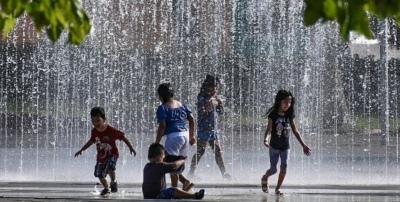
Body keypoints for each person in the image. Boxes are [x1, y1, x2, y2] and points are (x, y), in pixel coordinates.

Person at [74, 107, 137, 196]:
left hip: (112, 154)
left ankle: (113, 181)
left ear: (104, 119)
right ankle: (106, 188)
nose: (95, 123)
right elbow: (91, 141)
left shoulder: (111, 130)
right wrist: (81, 150)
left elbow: (123, 137)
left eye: (98, 120)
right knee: (99, 174)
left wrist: (131, 147)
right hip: (101, 157)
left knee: (110, 166)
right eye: (93, 121)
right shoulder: (94, 131)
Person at [261, 90, 311, 195]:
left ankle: (277, 189)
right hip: (274, 147)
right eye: (285, 102)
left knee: (284, 166)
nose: (288, 104)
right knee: (273, 170)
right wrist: (266, 139)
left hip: (285, 147)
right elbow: (269, 129)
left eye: (289, 102)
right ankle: (265, 177)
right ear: (279, 101)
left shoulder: (289, 115)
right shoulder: (273, 115)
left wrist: (303, 145)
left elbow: (295, 130)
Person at [188, 74, 231, 180]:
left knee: (218, 151)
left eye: (217, 88)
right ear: (207, 87)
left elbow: (220, 113)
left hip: (213, 128)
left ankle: (224, 173)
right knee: (200, 151)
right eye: (214, 88)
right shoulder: (201, 97)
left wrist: (220, 105)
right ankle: (191, 172)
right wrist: (208, 105)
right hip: (204, 128)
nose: (216, 90)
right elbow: (200, 112)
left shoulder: (215, 97)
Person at [155, 83, 196, 191]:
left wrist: (157, 142)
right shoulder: (182, 105)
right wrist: (192, 136)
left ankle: (174, 190)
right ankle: (184, 183)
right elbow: (191, 119)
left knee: (171, 165)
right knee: (175, 164)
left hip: (174, 137)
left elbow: (162, 125)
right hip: (185, 136)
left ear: (160, 96)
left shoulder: (163, 108)